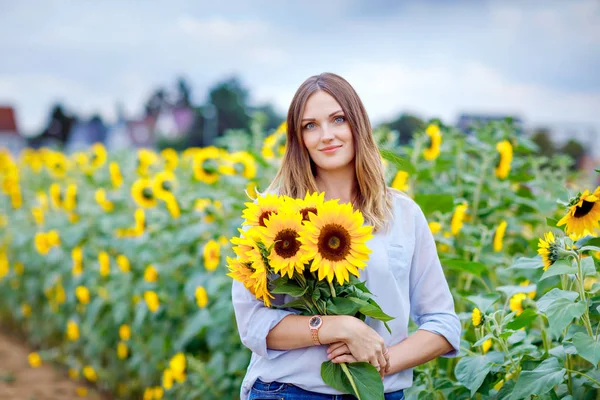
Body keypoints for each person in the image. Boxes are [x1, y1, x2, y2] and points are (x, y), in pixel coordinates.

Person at [231, 72, 461, 400]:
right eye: (310, 125)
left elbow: (443, 324)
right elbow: (252, 324)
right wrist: (339, 327)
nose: (326, 135)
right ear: (299, 139)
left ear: (358, 125)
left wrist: (379, 362)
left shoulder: (403, 214)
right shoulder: (272, 217)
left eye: (338, 119)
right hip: (289, 392)